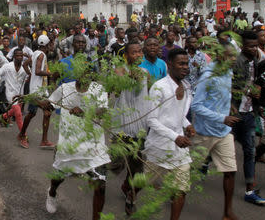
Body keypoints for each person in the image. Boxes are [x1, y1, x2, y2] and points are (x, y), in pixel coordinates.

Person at [45, 66, 110, 220]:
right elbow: (50, 104)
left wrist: (86, 111)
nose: (86, 76)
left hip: (94, 146)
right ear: (77, 74)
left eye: (90, 73)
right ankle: (52, 192)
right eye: (82, 72)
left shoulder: (98, 89)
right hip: (69, 144)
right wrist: (41, 103)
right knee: (58, 177)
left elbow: (103, 110)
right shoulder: (65, 88)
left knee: (100, 186)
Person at [191, 43, 242, 220]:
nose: (234, 59)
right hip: (204, 132)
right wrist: (221, 117)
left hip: (223, 132)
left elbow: (222, 96)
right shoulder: (207, 76)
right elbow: (196, 105)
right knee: (187, 169)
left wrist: (230, 108)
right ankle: (172, 194)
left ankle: (227, 212)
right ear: (220, 56)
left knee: (230, 171)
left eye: (234, 56)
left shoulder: (228, 72)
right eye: (230, 56)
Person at [143, 48, 194, 220]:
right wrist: (175, 137)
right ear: (170, 65)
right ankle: (130, 191)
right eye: (181, 64)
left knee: (180, 189)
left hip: (179, 150)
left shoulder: (187, 86)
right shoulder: (159, 88)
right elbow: (152, 120)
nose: (185, 67)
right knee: (145, 183)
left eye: (187, 64)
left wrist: (188, 125)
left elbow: (178, 114)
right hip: (158, 147)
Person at [111, 42, 150, 215]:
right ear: (126, 55)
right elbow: (117, 88)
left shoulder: (145, 73)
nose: (138, 54)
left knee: (138, 170)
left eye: (140, 51)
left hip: (141, 127)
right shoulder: (119, 70)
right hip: (123, 128)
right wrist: (127, 77)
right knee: (117, 163)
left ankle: (131, 197)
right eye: (134, 52)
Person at [231, 31, 265, 205]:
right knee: (217, 145)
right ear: (242, 45)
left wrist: (257, 103)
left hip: (249, 112)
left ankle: (249, 190)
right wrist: (250, 91)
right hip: (235, 112)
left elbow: (254, 82)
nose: (254, 49)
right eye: (250, 46)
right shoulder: (237, 62)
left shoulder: (254, 60)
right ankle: (203, 165)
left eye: (255, 46)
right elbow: (233, 86)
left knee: (249, 150)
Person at [19, 35, 55, 149]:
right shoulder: (41, 54)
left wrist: (31, 75)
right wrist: (50, 73)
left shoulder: (35, 53)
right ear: (47, 45)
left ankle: (43, 140)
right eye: (50, 44)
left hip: (40, 89)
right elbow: (38, 71)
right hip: (37, 91)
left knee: (44, 113)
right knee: (32, 113)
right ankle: (22, 135)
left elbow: (25, 64)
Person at [0, 49, 28, 131]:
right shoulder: (7, 66)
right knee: (18, 114)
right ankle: (23, 135)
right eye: (17, 55)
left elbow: (27, 79)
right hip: (10, 94)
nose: (19, 57)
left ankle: (4, 116)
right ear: (14, 56)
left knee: (14, 111)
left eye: (21, 55)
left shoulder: (25, 67)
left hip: (20, 94)